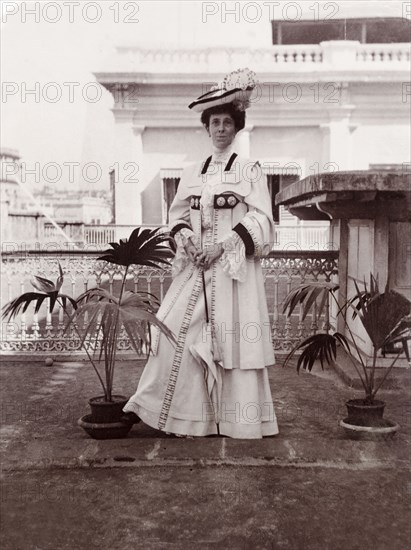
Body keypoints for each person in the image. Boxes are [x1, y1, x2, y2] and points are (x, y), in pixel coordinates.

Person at [122, 69, 279, 438]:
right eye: (214, 122)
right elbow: (176, 217)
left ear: (236, 127)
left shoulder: (249, 170)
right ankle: (167, 411)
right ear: (206, 127)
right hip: (195, 269)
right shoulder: (192, 172)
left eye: (227, 122)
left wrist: (223, 247)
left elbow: (263, 219)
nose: (221, 128)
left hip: (232, 274)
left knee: (231, 341)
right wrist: (189, 240)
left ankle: (237, 420)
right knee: (169, 330)